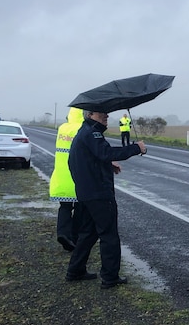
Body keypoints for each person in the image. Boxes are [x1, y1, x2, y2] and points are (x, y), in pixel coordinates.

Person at [66, 110, 146, 288]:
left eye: (106, 113)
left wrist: (107, 165)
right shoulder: (92, 133)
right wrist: (136, 148)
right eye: (101, 113)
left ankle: (75, 270)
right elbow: (106, 152)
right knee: (109, 235)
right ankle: (110, 277)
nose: (106, 115)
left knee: (88, 233)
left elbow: (88, 159)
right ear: (90, 114)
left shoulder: (84, 132)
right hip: (99, 194)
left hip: (86, 193)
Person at [49, 107, 84, 251]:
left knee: (65, 207)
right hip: (78, 177)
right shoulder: (83, 129)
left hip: (61, 177)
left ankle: (63, 233)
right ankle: (74, 238)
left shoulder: (62, 128)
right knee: (80, 210)